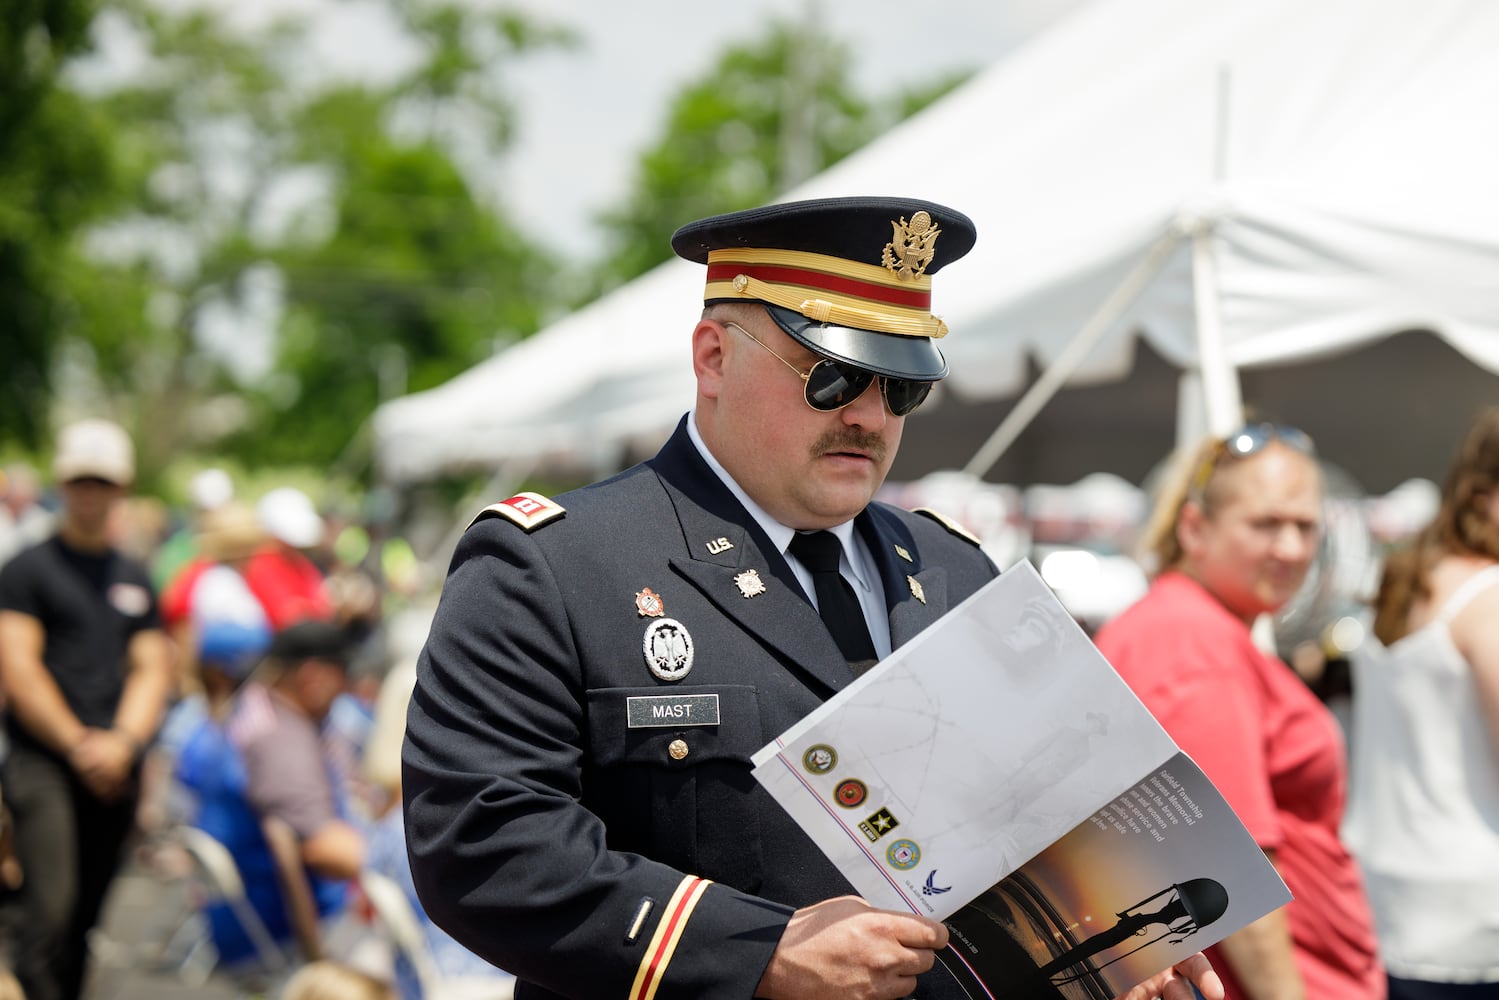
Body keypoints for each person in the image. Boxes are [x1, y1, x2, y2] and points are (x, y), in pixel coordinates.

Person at [402, 197, 1221, 1000]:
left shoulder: (952, 569)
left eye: (900, 388)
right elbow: (484, 846)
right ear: (714, 356)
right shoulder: (560, 563)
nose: (869, 415)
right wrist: (757, 954)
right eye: (833, 377)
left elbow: (1045, 817)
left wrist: (1120, 949)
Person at [1094, 424, 1382, 1000]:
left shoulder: (1191, 627)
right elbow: (1232, 864)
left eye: (1305, 526)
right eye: (1265, 524)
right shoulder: (1193, 640)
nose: (1292, 549)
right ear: (1195, 527)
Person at [0, 418, 175, 1000]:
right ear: (63, 484)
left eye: (102, 482)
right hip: (45, 758)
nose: (90, 493)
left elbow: (152, 666)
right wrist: (79, 744)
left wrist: (122, 743)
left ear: (120, 488)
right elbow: (19, 669)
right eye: (81, 481)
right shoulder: (26, 570)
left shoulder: (133, 575)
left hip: (113, 763)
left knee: (85, 919)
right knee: (48, 911)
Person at [1343, 406, 1499, 999]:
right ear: (1483, 494)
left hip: (1388, 897)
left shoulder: (1412, 576)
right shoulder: (1488, 597)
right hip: (1474, 921)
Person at [179, 620, 365, 965]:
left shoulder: (257, 706)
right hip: (283, 931)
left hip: (244, 917)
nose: (348, 690)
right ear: (313, 677)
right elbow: (327, 850)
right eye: (344, 677)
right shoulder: (278, 740)